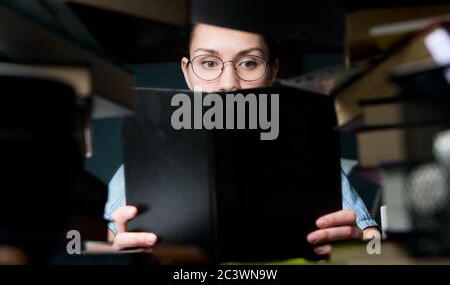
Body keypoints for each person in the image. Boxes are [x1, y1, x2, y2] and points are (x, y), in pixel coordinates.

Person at [105, 23, 380, 256]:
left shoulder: (311, 158)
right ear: (188, 73)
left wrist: (357, 246)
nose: (228, 83)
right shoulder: (143, 164)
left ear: (272, 71)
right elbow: (106, 243)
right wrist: (119, 255)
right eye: (209, 63)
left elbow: (372, 242)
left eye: (249, 63)